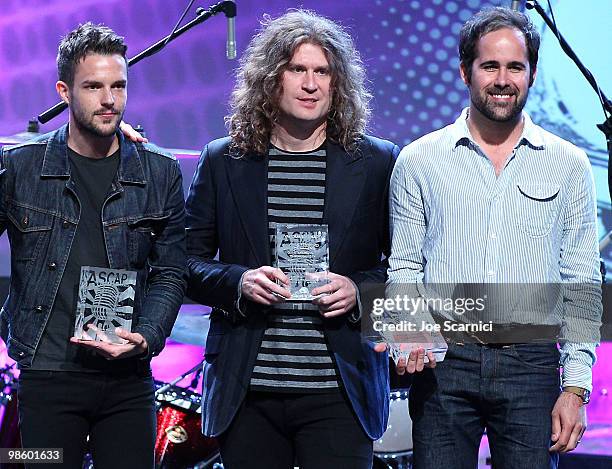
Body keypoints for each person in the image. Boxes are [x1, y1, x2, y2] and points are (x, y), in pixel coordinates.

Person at [387, 7, 602, 469]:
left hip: (532, 366)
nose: (503, 79)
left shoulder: (568, 163)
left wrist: (575, 386)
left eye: (515, 67)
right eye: (490, 66)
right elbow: (403, 267)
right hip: (445, 365)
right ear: (465, 71)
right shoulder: (419, 160)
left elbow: (581, 281)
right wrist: (409, 331)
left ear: (532, 74)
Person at [185, 10, 399, 469]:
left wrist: (358, 291)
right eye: (297, 69)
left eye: (322, 71)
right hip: (249, 392)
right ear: (270, 79)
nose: (310, 83)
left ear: (337, 83)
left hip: (341, 391)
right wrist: (237, 282)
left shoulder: (378, 161)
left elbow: (406, 265)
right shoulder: (225, 160)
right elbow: (184, 263)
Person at [0, 23, 186, 468]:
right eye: (94, 87)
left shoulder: (160, 173)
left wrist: (147, 336)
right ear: (64, 91)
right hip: (46, 373)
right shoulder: (20, 168)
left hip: (128, 377)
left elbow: (172, 271)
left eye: (118, 86)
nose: (109, 99)